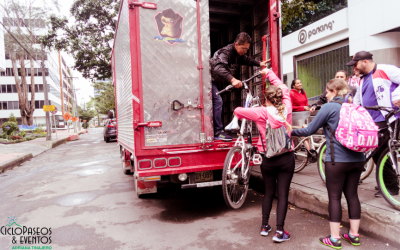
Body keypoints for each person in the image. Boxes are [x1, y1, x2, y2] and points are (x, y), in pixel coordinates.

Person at [292, 79, 365, 249]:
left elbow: (309, 131)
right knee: (353, 195)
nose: (325, 94)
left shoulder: (329, 107)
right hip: (359, 159)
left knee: (334, 197)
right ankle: (354, 236)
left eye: (326, 91)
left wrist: (291, 131)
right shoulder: (355, 107)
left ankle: (335, 239)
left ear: (332, 91)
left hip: (337, 160)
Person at [234, 67, 294, 243]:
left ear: (266, 99)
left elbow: (237, 111)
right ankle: (280, 232)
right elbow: (283, 87)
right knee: (283, 195)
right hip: (286, 158)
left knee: (268, 193)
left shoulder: (261, 112)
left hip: (267, 160)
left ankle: (264, 226)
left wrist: (257, 107)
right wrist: (269, 73)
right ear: (281, 97)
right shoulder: (288, 107)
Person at [350, 50, 400, 197]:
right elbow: (359, 99)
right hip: (372, 122)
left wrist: (397, 96)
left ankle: (391, 187)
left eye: (356, 64)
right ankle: (386, 184)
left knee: (383, 152)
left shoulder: (386, 70)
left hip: (388, 118)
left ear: (365, 61)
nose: (354, 67)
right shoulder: (362, 78)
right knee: (378, 154)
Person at [210, 32, 268, 141]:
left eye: (247, 49)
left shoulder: (238, 54)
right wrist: (233, 79)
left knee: (218, 101)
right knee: (218, 102)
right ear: (236, 44)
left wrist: (259, 64)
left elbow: (246, 60)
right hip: (208, 81)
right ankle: (217, 132)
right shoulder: (226, 52)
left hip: (217, 81)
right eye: (244, 48)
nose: (245, 51)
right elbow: (218, 68)